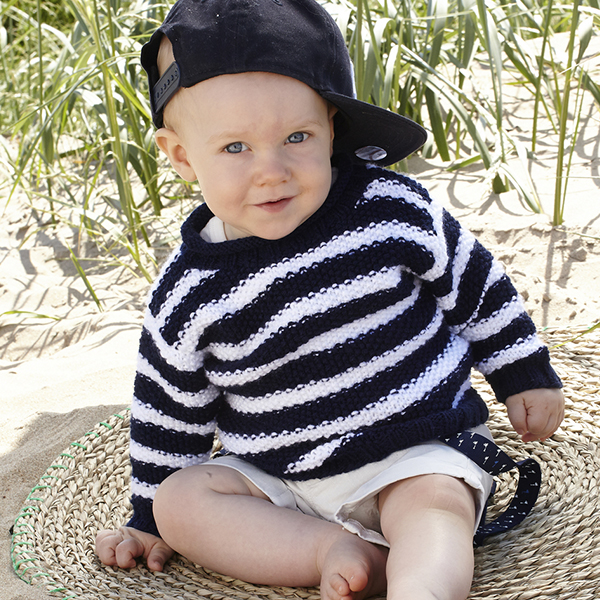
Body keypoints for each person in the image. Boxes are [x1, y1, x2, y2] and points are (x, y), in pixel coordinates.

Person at [95, 0, 565, 599]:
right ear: (182, 156)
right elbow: (168, 411)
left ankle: (420, 589)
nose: (271, 171)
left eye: (297, 137)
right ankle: (328, 549)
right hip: (281, 477)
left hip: (414, 448)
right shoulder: (186, 293)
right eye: (235, 148)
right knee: (181, 502)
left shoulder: (387, 209)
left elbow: (474, 283)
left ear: (332, 128)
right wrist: (147, 516)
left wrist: (522, 372)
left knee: (434, 504)